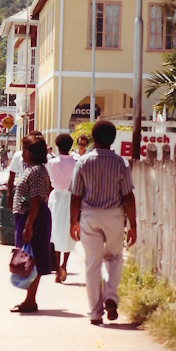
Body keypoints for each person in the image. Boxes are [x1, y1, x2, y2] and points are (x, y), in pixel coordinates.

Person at [70, 120, 137, 326]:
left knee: (92, 263)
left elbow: (75, 196)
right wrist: (133, 225)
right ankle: (110, 296)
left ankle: (95, 314)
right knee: (115, 257)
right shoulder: (121, 163)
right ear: (113, 139)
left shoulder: (83, 162)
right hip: (115, 215)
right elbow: (128, 196)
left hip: (89, 215)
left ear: (93, 138)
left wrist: (74, 222)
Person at [10, 135, 53, 314]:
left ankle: (30, 300)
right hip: (28, 217)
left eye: (24, 150)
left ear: (30, 152)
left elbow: (36, 200)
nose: (22, 154)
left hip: (33, 218)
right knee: (28, 258)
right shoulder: (32, 169)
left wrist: (29, 225)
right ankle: (29, 299)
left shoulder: (36, 171)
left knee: (32, 260)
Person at [46, 133, 78, 283]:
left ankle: (58, 269)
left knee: (55, 232)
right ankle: (64, 264)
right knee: (68, 232)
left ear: (57, 147)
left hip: (56, 198)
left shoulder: (52, 163)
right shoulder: (76, 162)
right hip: (72, 198)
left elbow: (48, 183)